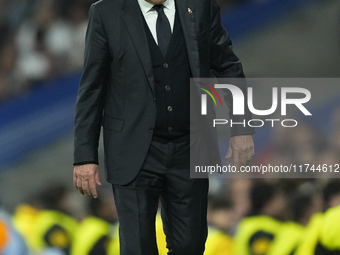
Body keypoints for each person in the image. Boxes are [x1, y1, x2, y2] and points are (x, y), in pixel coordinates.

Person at [73, 0, 255, 254]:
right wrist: (84, 155)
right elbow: (92, 87)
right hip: (132, 149)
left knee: (190, 246)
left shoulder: (200, 6)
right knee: (137, 247)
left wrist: (241, 127)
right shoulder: (107, 12)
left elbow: (227, 66)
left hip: (190, 145)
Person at [234, 181, 285, 255]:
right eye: (279, 199)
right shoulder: (266, 228)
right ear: (270, 203)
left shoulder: (246, 224)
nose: (283, 203)